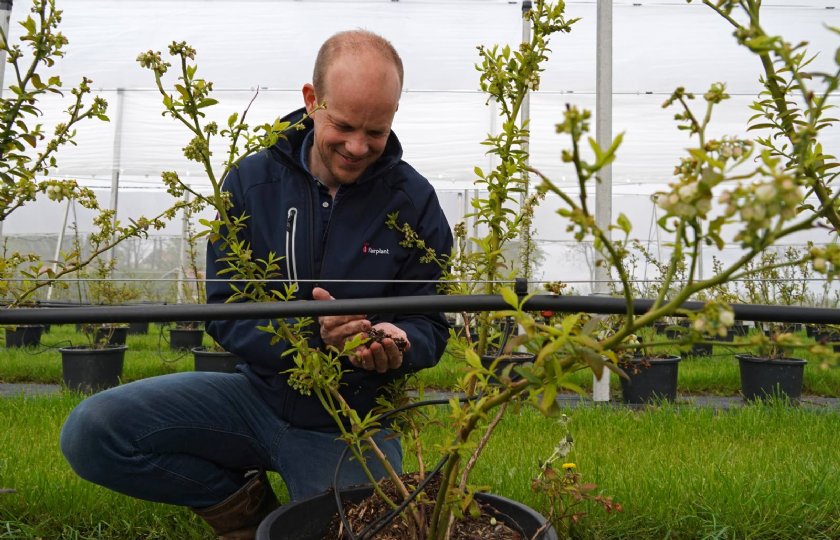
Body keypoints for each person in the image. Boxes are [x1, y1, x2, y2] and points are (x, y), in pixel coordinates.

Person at [60, 30, 453, 539]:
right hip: (254, 397)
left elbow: (429, 323)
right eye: (344, 126)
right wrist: (313, 337)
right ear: (312, 101)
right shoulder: (251, 181)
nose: (358, 147)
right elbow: (225, 309)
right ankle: (239, 506)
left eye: (375, 132)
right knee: (94, 433)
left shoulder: (414, 203)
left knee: (370, 529)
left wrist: (397, 344)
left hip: (351, 421)